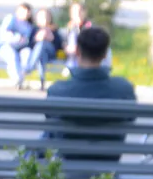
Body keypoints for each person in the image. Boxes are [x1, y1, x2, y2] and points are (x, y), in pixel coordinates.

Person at [46, 26, 136, 167]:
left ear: (77, 51)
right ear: (105, 54)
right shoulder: (124, 89)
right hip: (108, 164)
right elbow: (131, 119)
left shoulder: (57, 90)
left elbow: (51, 122)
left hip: (69, 164)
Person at [0, 3, 34, 88]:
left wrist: (23, 41)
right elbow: (4, 34)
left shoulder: (29, 26)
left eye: (27, 12)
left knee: (27, 54)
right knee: (12, 56)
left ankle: (21, 77)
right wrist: (16, 37)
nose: (25, 14)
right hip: (6, 46)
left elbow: (27, 40)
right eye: (23, 11)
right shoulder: (10, 19)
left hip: (21, 47)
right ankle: (17, 79)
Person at [28, 8, 64, 91]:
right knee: (41, 54)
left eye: (46, 16)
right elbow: (29, 45)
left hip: (51, 53)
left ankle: (30, 67)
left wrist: (51, 39)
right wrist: (36, 39)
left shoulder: (54, 29)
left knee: (43, 44)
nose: (44, 18)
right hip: (39, 54)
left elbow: (59, 46)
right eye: (42, 16)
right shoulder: (35, 29)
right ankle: (42, 81)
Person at [63, 1, 92, 73]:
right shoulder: (69, 27)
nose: (78, 14)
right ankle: (71, 65)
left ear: (84, 12)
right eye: (75, 12)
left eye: (80, 11)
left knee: (74, 35)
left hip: (85, 53)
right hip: (71, 53)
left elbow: (91, 42)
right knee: (72, 35)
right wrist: (66, 47)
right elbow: (64, 41)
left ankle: (71, 66)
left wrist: (78, 47)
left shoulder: (89, 26)